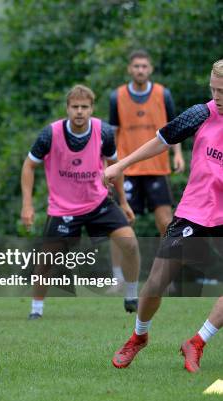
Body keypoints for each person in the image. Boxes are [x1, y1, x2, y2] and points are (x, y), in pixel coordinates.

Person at [107, 59, 223, 373]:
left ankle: (197, 342)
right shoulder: (201, 113)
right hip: (195, 210)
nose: (219, 97)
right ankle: (139, 336)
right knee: (157, 281)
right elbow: (161, 140)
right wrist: (121, 165)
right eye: (214, 90)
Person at [21, 85, 140, 319]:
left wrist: (124, 202)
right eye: (74, 107)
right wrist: (27, 204)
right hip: (63, 208)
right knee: (47, 259)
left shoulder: (103, 132)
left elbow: (116, 167)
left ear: (92, 109)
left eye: (84, 107)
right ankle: (36, 310)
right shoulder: (50, 134)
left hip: (98, 202)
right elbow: (29, 165)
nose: (79, 111)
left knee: (131, 245)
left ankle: (131, 296)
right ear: (67, 108)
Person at [107, 50, 185, 291]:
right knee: (120, 224)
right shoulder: (116, 96)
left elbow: (175, 129)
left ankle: (166, 275)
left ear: (150, 69)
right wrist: (110, 165)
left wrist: (178, 153)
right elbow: (113, 133)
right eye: (136, 66)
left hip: (157, 168)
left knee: (165, 222)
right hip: (128, 170)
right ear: (130, 69)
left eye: (144, 66)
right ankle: (118, 276)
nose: (140, 70)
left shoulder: (164, 94)